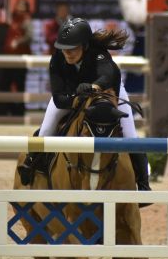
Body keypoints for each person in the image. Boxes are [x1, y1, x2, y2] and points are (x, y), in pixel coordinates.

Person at [17, 17, 150, 193]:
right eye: (64, 49)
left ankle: (143, 183)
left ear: (85, 45)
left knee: (130, 135)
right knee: (46, 129)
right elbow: (58, 99)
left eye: (72, 48)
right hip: (71, 95)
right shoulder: (57, 59)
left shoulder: (99, 54)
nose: (67, 53)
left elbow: (108, 76)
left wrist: (93, 87)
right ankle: (32, 163)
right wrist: (77, 100)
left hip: (105, 93)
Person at [2, 0, 33, 116]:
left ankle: (19, 112)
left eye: (22, 6)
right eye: (18, 6)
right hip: (9, 58)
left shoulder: (27, 20)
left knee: (20, 85)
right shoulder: (12, 19)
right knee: (5, 85)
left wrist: (18, 42)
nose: (20, 8)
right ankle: (10, 110)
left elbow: (30, 37)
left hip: (21, 59)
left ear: (26, 8)